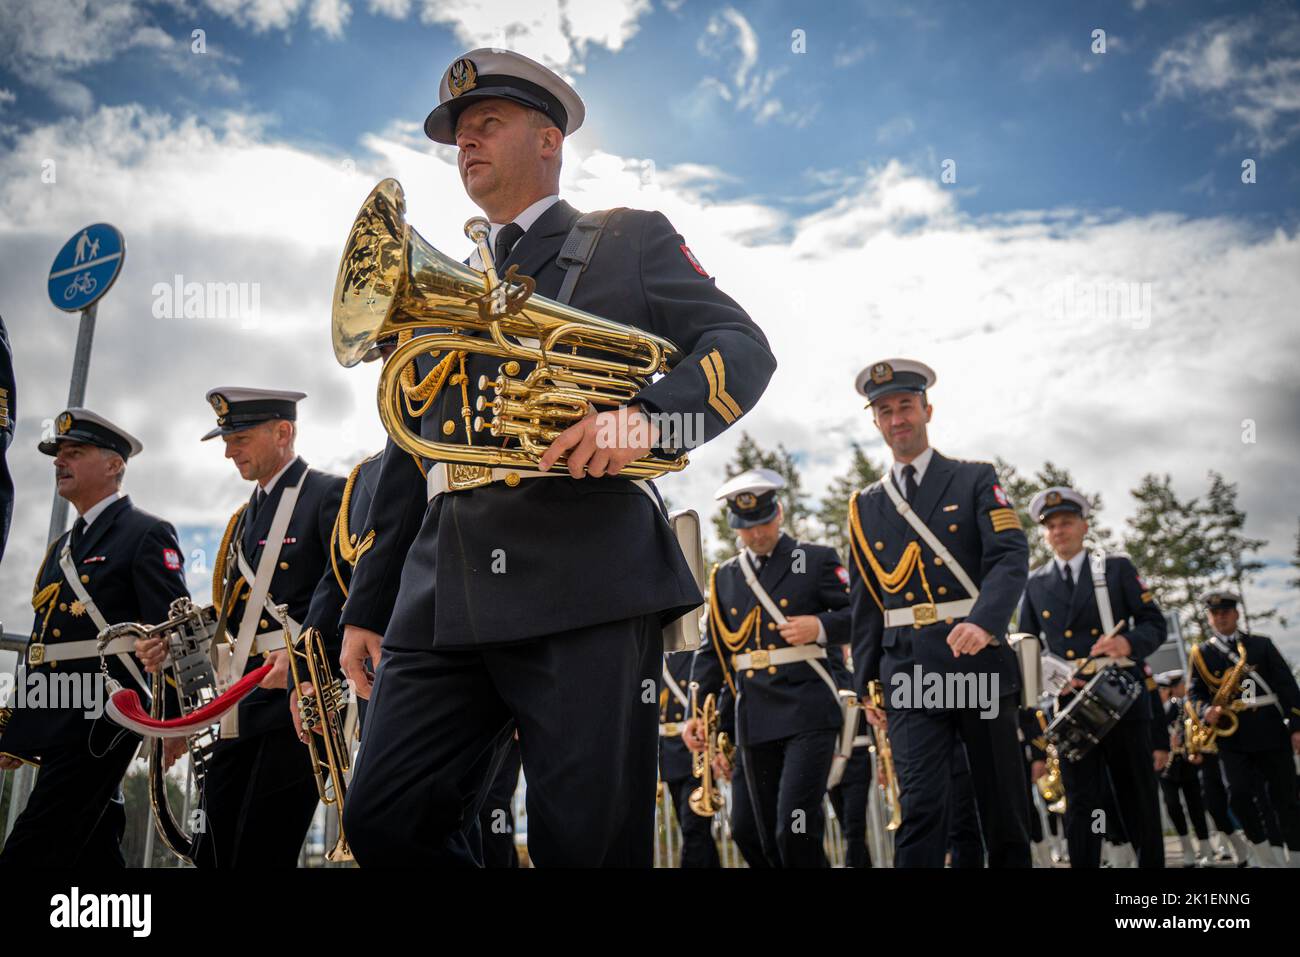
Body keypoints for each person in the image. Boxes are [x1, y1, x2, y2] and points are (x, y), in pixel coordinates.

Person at [338, 48, 775, 867]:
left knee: (590, 841)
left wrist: (641, 421)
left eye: (486, 125)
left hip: (585, 578)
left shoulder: (628, 238)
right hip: (443, 593)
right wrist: (367, 603)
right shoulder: (446, 281)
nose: (465, 143)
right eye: (458, 134)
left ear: (549, 140)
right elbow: (410, 446)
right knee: (384, 817)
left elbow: (741, 349)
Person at [137, 388, 344, 867]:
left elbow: (344, 586)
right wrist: (173, 644)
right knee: (215, 848)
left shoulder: (330, 493)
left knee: (261, 848)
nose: (230, 451)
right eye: (227, 440)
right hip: (241, 700)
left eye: (241, 437)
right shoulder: (242, 519)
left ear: (283, 432)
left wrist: (304, 667)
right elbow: (234, 615)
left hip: (297, 697)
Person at [846, 359, 1031, 868]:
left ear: (926, 409)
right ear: (876, 422)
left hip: (977, 661)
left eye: (906, 405)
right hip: (907, 670)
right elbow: (864, 601)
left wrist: (985, 621)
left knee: (1003, 808)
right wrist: (865, 685)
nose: (897, 417)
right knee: (922, 805)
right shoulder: (865, 505)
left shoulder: (974, 478)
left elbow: (1010, 555)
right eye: (885, 410)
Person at [0, 409, 188, 866]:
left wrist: (175, 723)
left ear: (113, 465)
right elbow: (46, 646)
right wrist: (17, 730)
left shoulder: (145, 533)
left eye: (74, 453)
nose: (59, 463)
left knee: (34, 846)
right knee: (92, 848)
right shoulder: (61, 548)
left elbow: (175, 636)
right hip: (59, 713)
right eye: (58, 455)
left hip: (102, 718)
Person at [686, 468, 850, 867]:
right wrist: (699, 713)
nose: (756, 534)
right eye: (747, 527)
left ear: (778, 514)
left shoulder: (815, 559)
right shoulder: (724, 577)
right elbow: (715, 653)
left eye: (762, 522)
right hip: (754, 716)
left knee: (792, 828)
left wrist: (821, 626)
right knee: (745, 829)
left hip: (809, 710)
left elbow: (860, 614)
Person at [1016, 485, 1166, 868]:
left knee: (1138, 797)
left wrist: (1128, 644)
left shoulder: (1114, 568)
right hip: (1069, 704)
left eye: (1066, 522)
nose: (1058, 531)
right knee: (1082, 803)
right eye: (1051, 526)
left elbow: (1154, 624)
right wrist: (1053, 678)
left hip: (1121, 698)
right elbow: (1028, 645)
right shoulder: (1034, 584)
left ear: (1084, 526)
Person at [1187, 589, 1300, 868]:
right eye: (1214, 614)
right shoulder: (1202, 653)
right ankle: (1264, 856)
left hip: (1270, 730)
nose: (1220, 618)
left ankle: (1295, 857)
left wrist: (1296, 725)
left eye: (1225, 612)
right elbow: (1194, 693)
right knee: (1238, 796)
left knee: (1285, 797)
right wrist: (1204, 710)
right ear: (1209, 618)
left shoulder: (1261, 645)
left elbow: (1287, 687)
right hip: (1232, 738)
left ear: (1236, 614)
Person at [659, 648, 721, 868]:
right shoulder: (655, 656)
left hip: (698, 751)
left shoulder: (696, 653)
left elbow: (712, 698)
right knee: (694, 832)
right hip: (668, 753)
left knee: (694, 828)